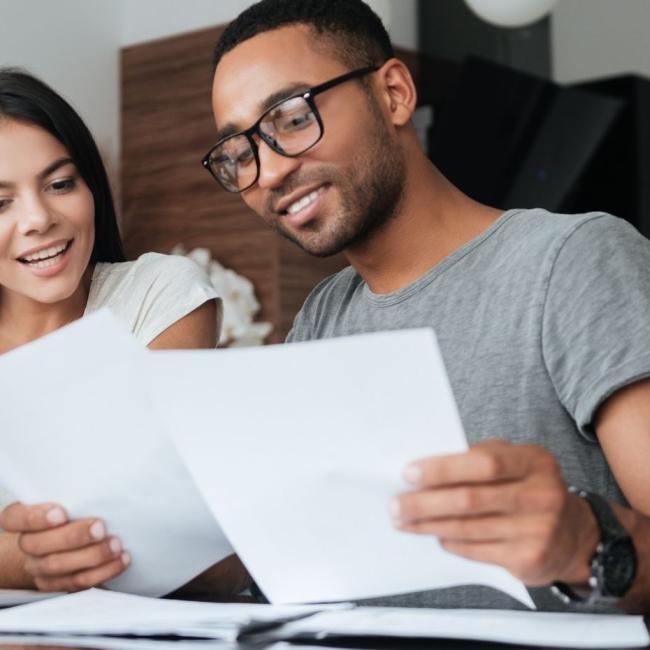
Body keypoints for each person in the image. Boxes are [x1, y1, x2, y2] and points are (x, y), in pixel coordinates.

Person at [205, 0, 650, 613]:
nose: (271, 170)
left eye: (290, 117)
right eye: (239, 150)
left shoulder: (572, 261)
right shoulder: (320, 317)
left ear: (392, 93)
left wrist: (586, 542)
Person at [0, 69, 246, 595]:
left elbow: (156, 537)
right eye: (0, 202)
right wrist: (22, 558)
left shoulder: (159, 294)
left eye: (60, 184)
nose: (38, 218)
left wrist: (18, 556)